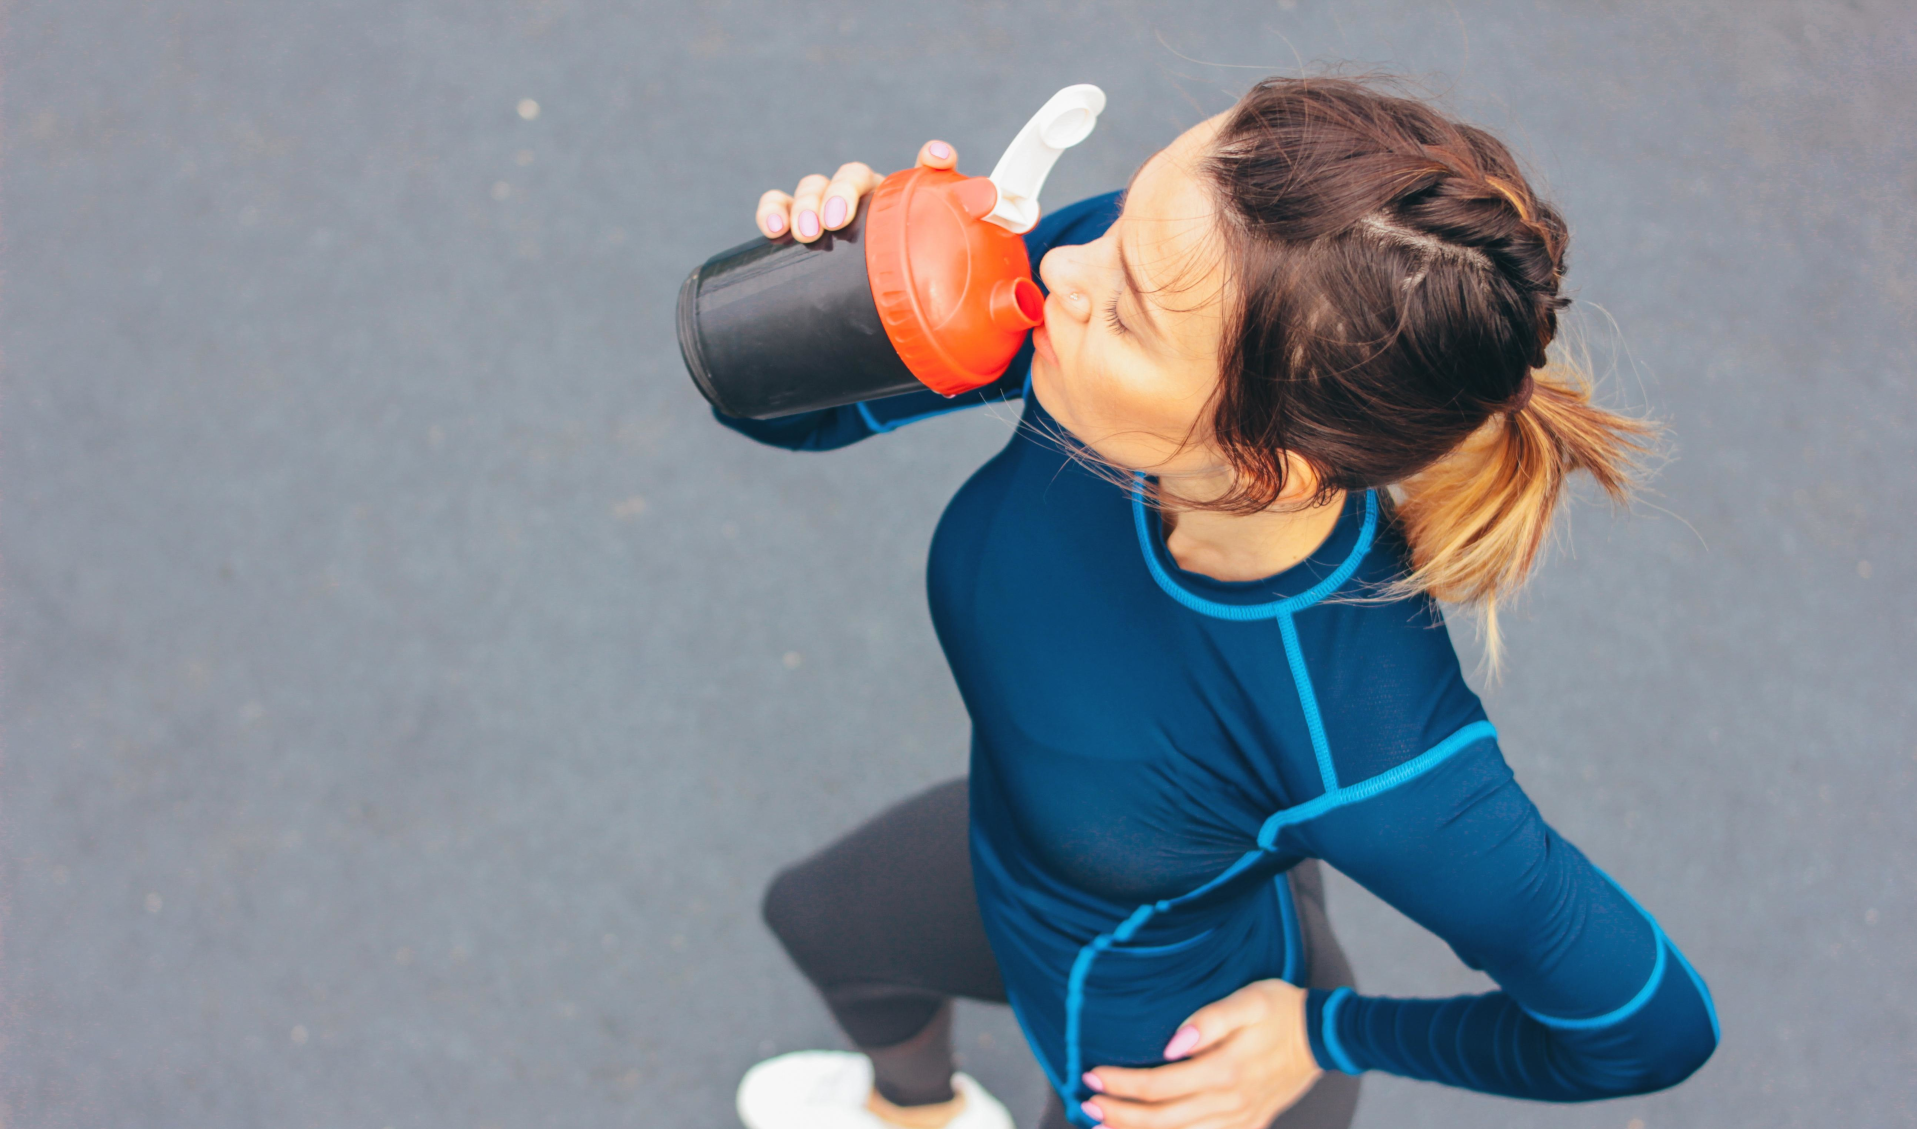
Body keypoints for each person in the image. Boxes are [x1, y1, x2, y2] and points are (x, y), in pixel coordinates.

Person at [717, 76, 1719, 1129]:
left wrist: (1326, 1034)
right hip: (1029, 864)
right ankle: (920, 1115)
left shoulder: (1368, 733)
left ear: (1267, 466)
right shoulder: (1126, 296)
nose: (1062, 264)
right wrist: (846, 295)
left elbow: (1652, 1028)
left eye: (1131, 307)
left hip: (1156, 1066)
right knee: (820, 919)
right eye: (1127, 217)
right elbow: (788, 417)